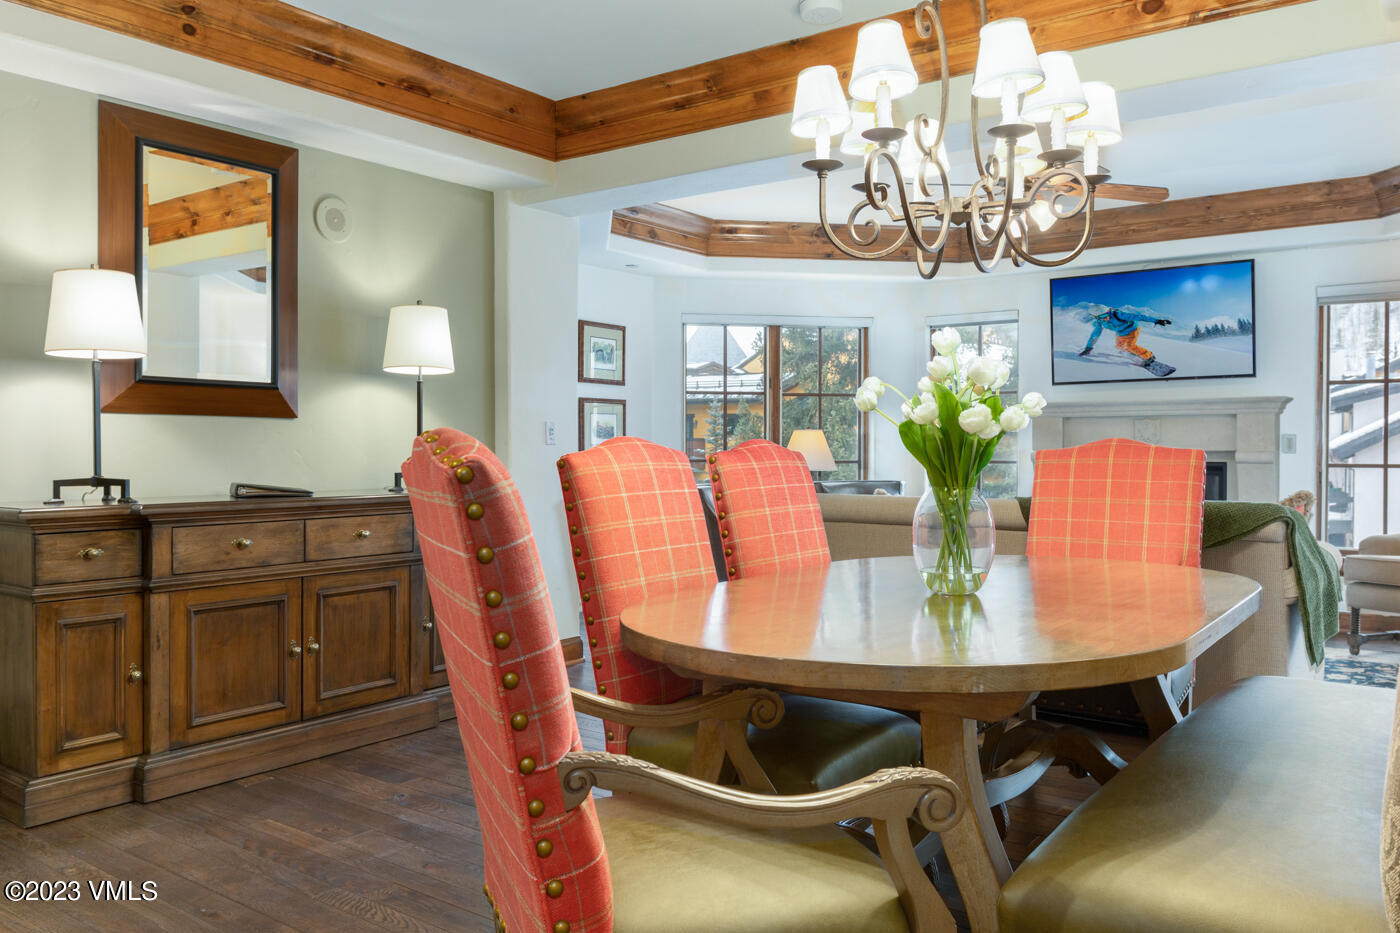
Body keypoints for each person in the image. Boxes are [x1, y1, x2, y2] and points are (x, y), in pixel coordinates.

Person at [1079, 308, 1172, 366]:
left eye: (1106, 315)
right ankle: (1133, 352)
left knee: (1129, 346)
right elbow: (1095, 335)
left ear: (1108, 312)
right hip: (1120, 333)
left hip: (1132, 330)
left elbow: (1139, 317)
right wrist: (1088, 347)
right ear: (1097, 317)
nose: (1105, 318)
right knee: (1119, 347)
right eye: (1101, 317)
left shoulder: (1118, 315)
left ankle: (1149, 356)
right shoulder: (1100, 322)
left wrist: (1156, 320)